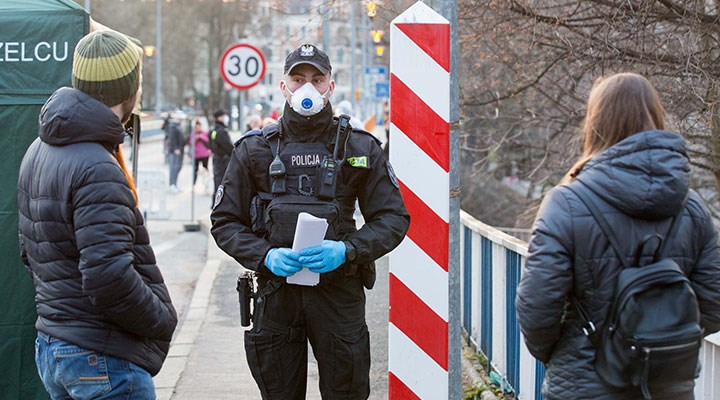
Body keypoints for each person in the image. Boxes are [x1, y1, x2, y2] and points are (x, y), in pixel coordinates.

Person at [211, 43, 410, 399]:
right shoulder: (253, 150)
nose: (308, 88)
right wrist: (264, 255)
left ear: (331, 87)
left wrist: (348, 250)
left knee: (347, 391)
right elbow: (225, 221)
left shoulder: (360, 148)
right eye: (298, 78)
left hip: (338, 293)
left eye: (317, 79)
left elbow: (393, 218)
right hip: (276, 294)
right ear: (282, 85)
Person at [516, 73, 720, 399]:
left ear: (596, 122)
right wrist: (660, 340)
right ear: (656, 116)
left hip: (585, 383)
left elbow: (538, 305)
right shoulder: (693, 207)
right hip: (666, 385)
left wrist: (568, 350)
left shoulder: (566, 203)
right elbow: (714, 301)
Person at [17, 30, 178, 399]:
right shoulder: (97, 166)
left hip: (55, 346)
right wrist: (162, 319)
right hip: (101, 358)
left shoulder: (38, 149)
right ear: (130, 89)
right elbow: (108, 276)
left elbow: (30, 252)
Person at [209, 108, 233, 197]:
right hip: (223, 160)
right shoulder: (221, 131)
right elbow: (228, 146)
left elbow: (211, 144)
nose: (225, 118)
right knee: (222, 182)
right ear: (219, 118)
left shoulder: (214, 130)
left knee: (217, 181)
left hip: (217, 159)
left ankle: (215, 201)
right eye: (223, 116)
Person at [167, 110, 186, 193]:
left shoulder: (179, 126)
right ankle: (172, 184)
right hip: (175, 151)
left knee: (177, 167)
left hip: (180, 150)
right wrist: (175, 148)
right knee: (173, 167)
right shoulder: (173, 127)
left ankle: (175, 184)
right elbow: (172, 139)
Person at [189, 119, 211, 187]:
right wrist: (196, 138)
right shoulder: (193, 134)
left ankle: (207, 185)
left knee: (206, 170)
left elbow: (208, 141)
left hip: (205, 154)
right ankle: (193, 185)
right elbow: (190, 143)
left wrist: (202, 137)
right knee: (195, 170)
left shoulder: (205, 133)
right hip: (196, 155)